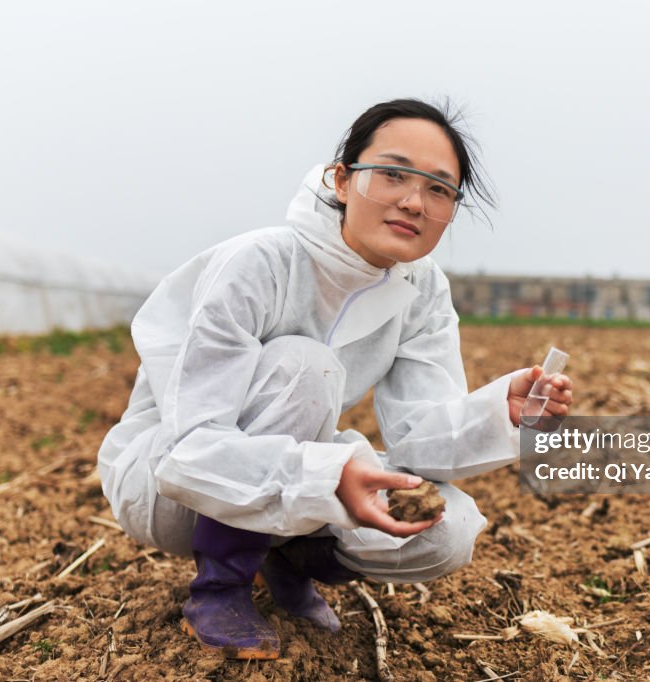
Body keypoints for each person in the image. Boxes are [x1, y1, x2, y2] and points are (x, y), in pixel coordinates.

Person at [97, 98, 574, 660]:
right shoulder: (261, 263)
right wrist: (328, 477)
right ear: (343, 180)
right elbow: (189, 448)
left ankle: (285, 559)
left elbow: (420, 434)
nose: (414, 201)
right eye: (394, 174)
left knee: (447, 529)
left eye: (440, 189)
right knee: (307, 368)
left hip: (288, 472)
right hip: (168, 483)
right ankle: (221, 587)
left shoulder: (421, 290)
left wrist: (500, 412)